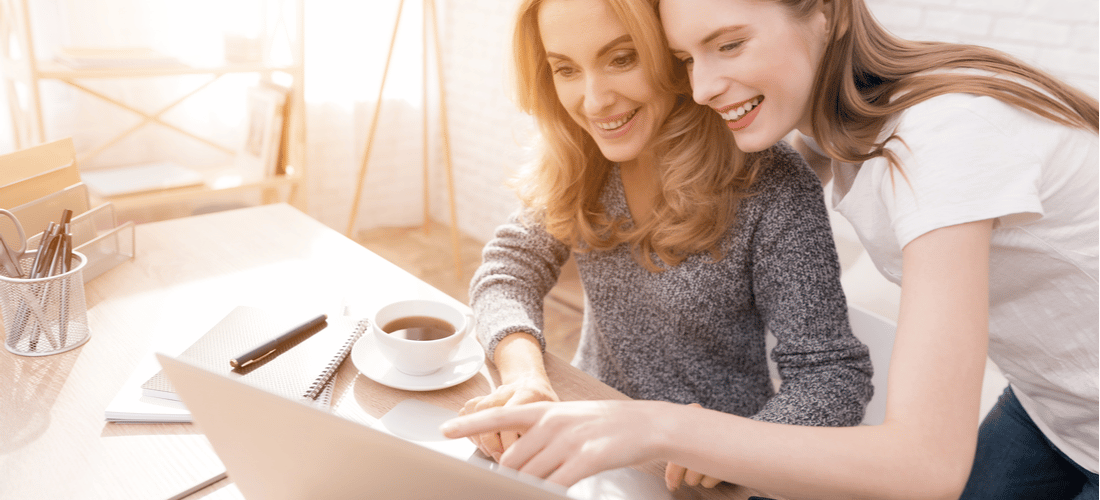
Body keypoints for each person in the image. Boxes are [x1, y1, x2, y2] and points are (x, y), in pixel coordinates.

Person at [442, 0, 1100, 499]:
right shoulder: (829, 137)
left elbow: (924, 464)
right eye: (686, 59)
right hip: (1054, 407)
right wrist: (529, 372)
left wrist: (667, 428)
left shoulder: (944, 137)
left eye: (729, 43)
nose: (700, 87)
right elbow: (512, 262)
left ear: (827, 13)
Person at [456, 0, 875, 485]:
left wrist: (731, 448)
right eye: (565, 69)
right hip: (588, 437)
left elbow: (833, 375)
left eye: (621, 59)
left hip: (704, 473)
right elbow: (508, 270)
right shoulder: (583, 160)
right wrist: (524, 374)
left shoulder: (771, 187)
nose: (593, 102)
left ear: (673, 56)